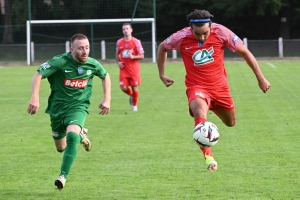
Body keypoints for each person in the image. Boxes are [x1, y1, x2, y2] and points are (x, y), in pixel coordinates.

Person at [156, 9, 271, 172]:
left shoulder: (222, 32)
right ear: (191, 28)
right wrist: (161, 74)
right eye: (197, 34)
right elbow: (162, 47)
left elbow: (245, 52)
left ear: (211, 26)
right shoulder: (181, 37)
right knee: (198, 111)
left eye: (205, 33)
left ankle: (210, 111)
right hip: (196, 87)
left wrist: (261, 78)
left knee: (230, 123)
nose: (201, 38)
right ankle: (209, 157)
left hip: (220, 88)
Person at [27, 33, 111, 190]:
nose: (85, 51)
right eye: (80, 48)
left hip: (78, 107)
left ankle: (62, 176)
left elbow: (105, 76)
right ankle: (81, 135)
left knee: (72, 135)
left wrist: (107, 99)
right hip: (57, 110)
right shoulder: (59, 62)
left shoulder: (92, 64)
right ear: (71, 49)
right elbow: (38, 75)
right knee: (61, 148)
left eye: (87, 48)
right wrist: (35, 98)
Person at [115, 22, 145, 111]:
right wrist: (118, 62)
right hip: (123, 69)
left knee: (134, 87)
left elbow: (142, 56)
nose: (125, 31)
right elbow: (117, 54)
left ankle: (134, 106)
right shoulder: (119, 42)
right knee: (123, 87)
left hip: (134, 69)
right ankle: (132, 95)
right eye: (124, 29)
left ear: (131, 30)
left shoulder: (136, 42)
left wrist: (133, 57)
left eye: (127, 29)